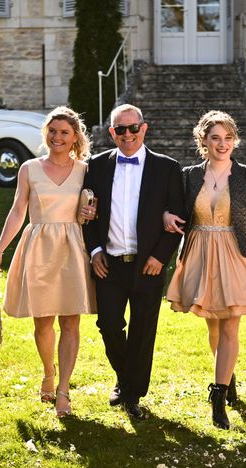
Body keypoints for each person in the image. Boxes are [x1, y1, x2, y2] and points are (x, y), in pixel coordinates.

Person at [164, 110, 246, 429]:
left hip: (237, 253)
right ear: (203, 141)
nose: (222, 144)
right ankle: (228, 376)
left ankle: (218, 397)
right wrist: (167, 216)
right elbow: (177, 210)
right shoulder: (190, 174)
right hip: (200, 253)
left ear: (235, 141)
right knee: (213, 325)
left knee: (231, 324)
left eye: (228, 137)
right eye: (215, 138)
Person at [0, 106, 96, 417]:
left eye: (64, 132)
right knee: (43, 321)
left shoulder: (86, 170)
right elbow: (17, 211)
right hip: (39, 248)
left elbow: (93, 209)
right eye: (52, 130)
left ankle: (63, 389)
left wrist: (90, 213)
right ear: (45, 133)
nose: (57, 137)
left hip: (74, 248)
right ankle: (48, 372)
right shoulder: (29, 169)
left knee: (71, 322)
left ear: (75, 137)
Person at [82, 104, 185, 419]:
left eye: (133, 128)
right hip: (109, 263)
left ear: (144, 128)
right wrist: (95, 250)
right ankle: (127, 379)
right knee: (108, 325)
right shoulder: (95, 167)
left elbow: (179, 218)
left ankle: (130, 394)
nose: (127, 134)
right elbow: (87, 216)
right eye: (120, 129)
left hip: (147, 263)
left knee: (143, 331)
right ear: (112, 132)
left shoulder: (167, 168)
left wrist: (160, 256)